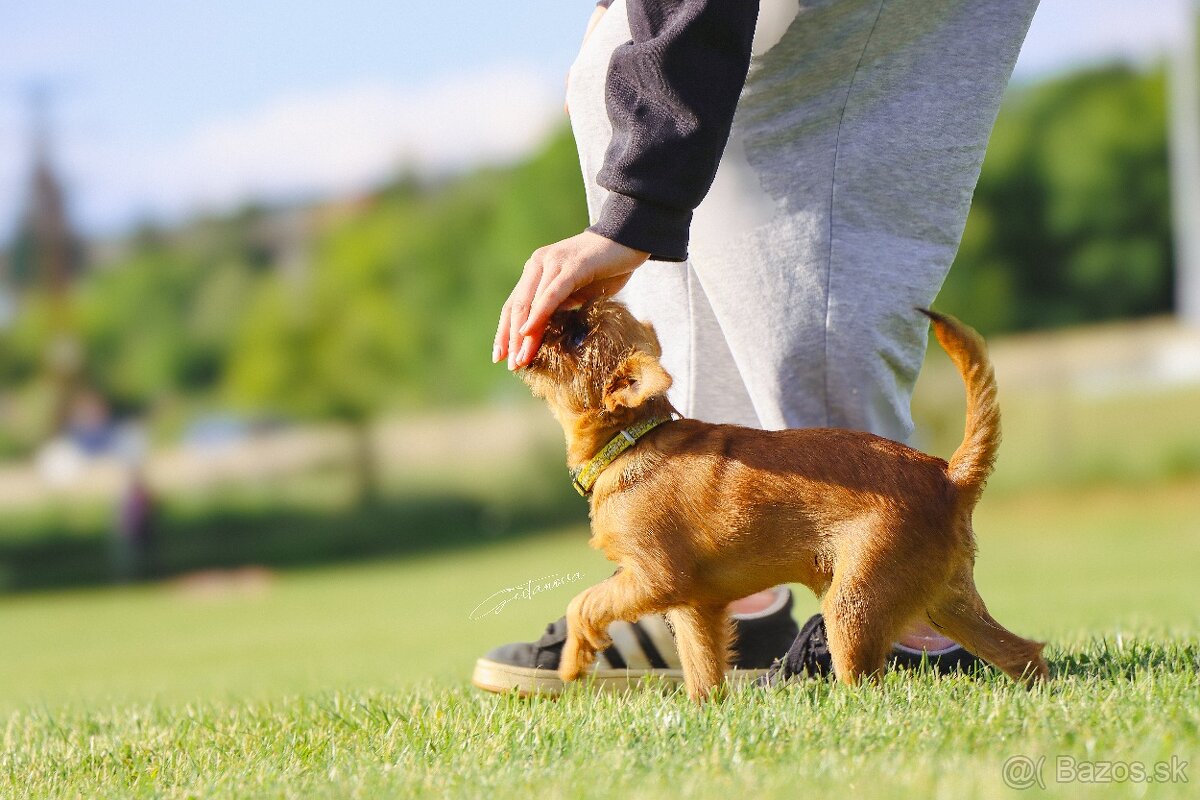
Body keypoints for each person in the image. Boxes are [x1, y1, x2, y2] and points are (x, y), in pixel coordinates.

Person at [475, 0, 1040, 695]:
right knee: (625, 71)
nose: (564, 323)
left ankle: (902, 634)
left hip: (878, 518)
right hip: (728, 511)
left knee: (806, 214)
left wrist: (630, 209)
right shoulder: (637, 462)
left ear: (628, 389)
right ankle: (747, 600)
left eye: (581, 329)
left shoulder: (637, 422)